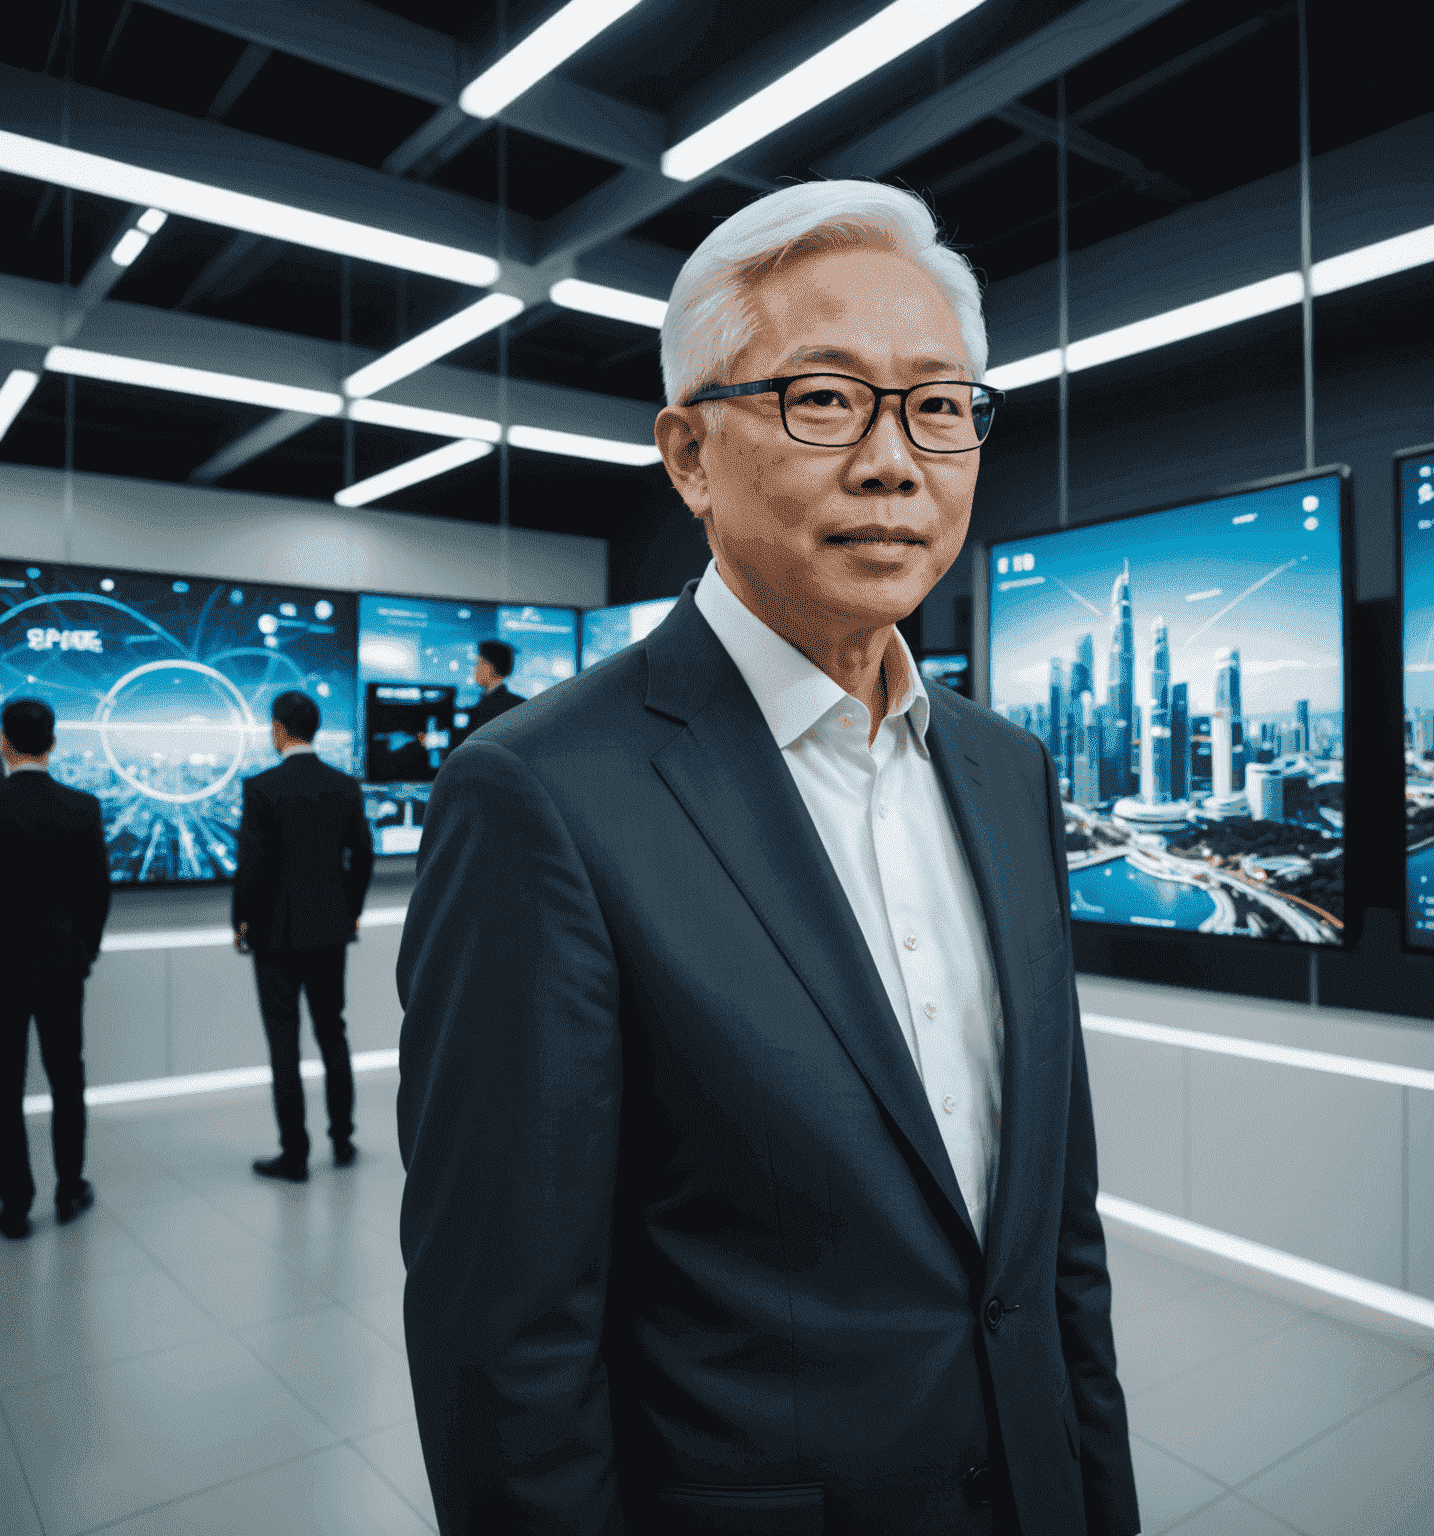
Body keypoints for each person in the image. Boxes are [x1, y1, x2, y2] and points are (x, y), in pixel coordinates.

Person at [397, 181, 1139, 1535]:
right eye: (822, 399)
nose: (894, 461)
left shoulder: (1009, 772)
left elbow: (1054, 1244)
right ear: (687, 456)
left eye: (938, 405)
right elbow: (506, 1348)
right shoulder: (539, 798)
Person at [234, 690, 374, 1182]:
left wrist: (242, 921)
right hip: (330, 932)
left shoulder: (261, 788)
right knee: (333, 1034)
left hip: (274, 936)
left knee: (284, 1045)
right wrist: (350, 912)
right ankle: (342, 1140)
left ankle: (294, 1155)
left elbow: (250, 867)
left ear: (278, 729)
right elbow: (363, 856)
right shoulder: (345, 786)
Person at [0, 697, 111, 1240]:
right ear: (53, 743)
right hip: (64, 966)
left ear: (3, 742)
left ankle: (15, 1204)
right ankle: (70, 1190)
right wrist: (84, 951)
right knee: (68, 1079)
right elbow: (97, 894)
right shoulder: (82, 807)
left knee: (4, 1087)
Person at [459, 639, 523, 735]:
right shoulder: (521, 705)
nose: (474, 669)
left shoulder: (485, 710)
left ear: (488, 667)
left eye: (477, 664)